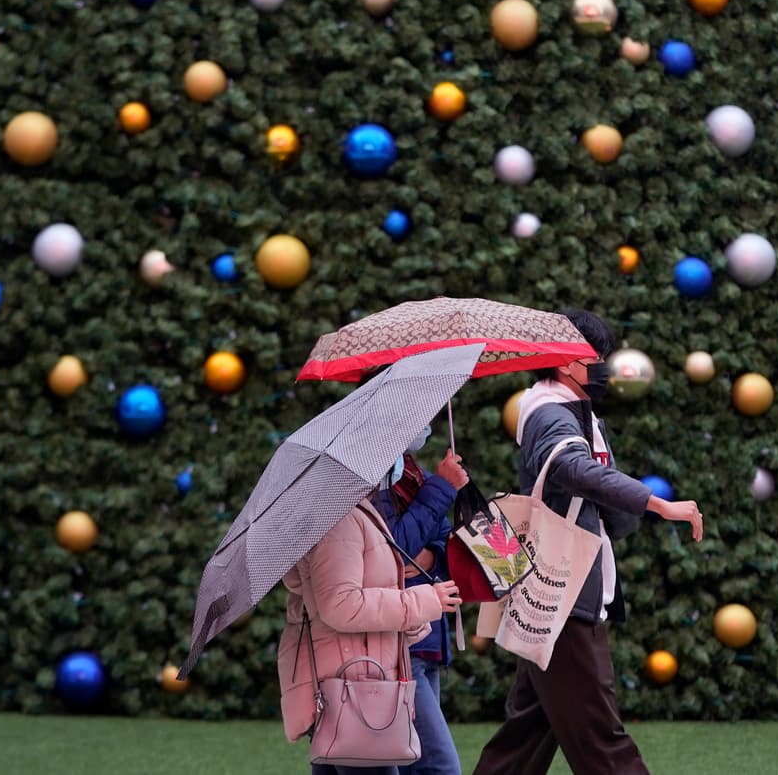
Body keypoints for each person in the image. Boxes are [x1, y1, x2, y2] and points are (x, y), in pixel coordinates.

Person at [473, 309, 705, 775]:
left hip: (556, 587)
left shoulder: (565, 411)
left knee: (527, 734)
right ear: (565, 361)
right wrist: (657, 504)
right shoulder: (551, 414)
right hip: (563, 591)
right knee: (601, 737)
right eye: (595, 356)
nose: (603, 366)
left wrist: (625, 514)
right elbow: (570, 468)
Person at [277, 491, 464, 775]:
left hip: (352, 681)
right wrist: (420, 602)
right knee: (439, 767)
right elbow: (340, 605)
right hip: (353, 687)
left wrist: (413, 619)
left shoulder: (349, 513)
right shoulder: (340, 521)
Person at [372, 425, 468, 775]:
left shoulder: (413, 475)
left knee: (415, 762)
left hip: (426, 635)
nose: (424, 427)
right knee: (439, 766)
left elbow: (445, 539)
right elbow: (396, 547)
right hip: (401, 644)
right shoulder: (377, 483)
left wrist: (432, 554)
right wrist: (442, 487)